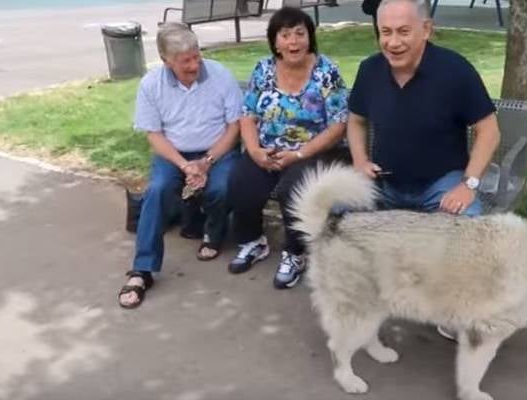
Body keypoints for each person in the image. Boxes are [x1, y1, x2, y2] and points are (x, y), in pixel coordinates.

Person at [347, 0, 501, 340]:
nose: (393, 42)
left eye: (403, 31)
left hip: (440, 186)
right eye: (385, 32)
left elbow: (489, 130)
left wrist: (468, 184)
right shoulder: (370, 69)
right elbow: (356, 121)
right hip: (384, 184)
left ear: (426, 30)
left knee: (472, 235)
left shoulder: (455, 70)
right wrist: (359, 161)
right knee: (337, 214)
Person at [118, 23, 243, 309]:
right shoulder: (151, 84)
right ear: (166, 61)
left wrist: (207, 161)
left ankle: (213, 232)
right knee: (157, 190)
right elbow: (154, 135)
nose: (194, 64)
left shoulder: (220, 75)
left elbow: (234, 126)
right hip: (173, 154)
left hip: (217, 150)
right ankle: (142, 270)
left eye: (196, 56)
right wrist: (186, 166)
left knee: (221, 187)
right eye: (185, 61)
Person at [226, 7, 350, 289]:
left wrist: (298, 154)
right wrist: (255, 150)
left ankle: (295, 253)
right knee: (240, 181)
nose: (293, 42)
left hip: (315, 151)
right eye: (285, 35)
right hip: (268, 149)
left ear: (310, 37)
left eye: (299, 34)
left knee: (292, 189)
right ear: (275, 41)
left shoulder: (326, 72)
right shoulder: (263, 69)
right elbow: (247, 114)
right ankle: (253, 242)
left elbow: (338, 126)